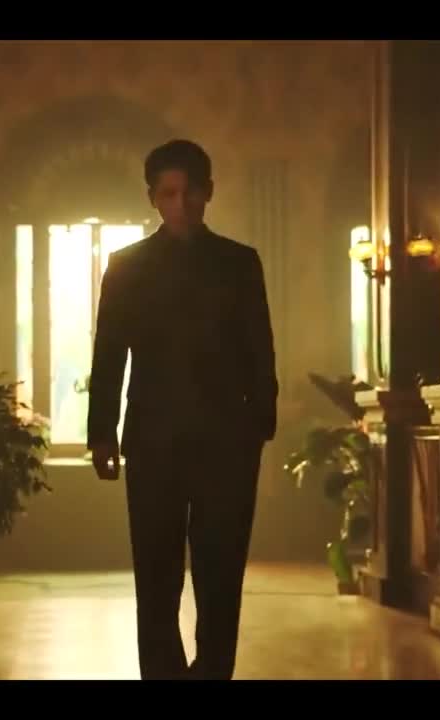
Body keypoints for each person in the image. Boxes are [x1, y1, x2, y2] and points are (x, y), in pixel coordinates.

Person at [86, 139, 278, 680]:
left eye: (190, 192)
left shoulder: (239, 263)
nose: (181, 204)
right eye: (169, 193)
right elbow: (109, 354)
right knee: (156, 572)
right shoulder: (126, 267)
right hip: (153, 441)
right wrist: (102, 432)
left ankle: (214, 671)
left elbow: (260, 348)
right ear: (152, 197)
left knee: (221, 572)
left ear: (208, 192)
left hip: (227, 441)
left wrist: (260, 423)